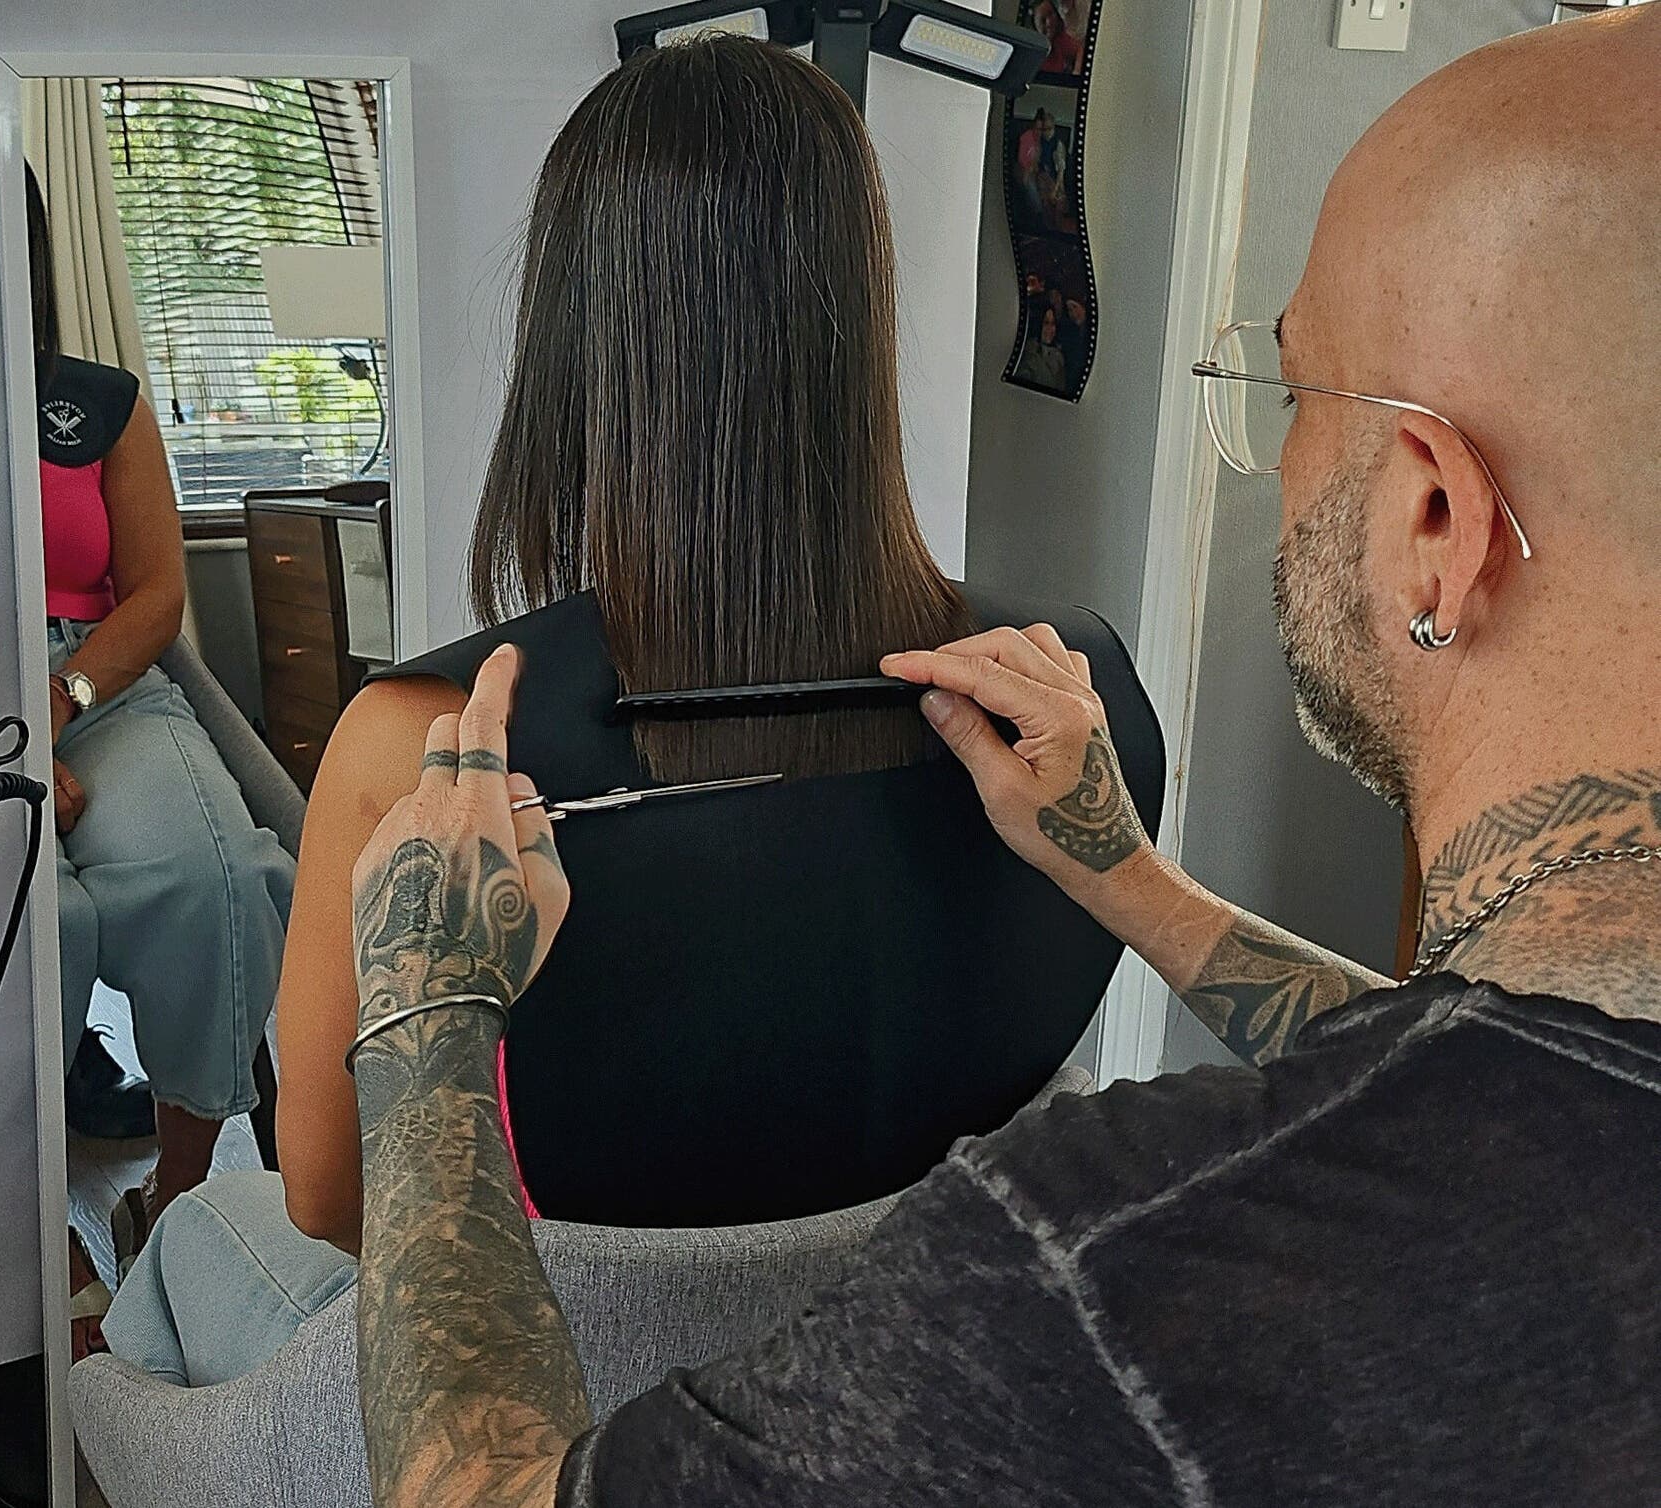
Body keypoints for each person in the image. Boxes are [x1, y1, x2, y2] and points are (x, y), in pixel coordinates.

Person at [338, 10, 1661, 1505]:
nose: (1278, 459)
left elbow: (342, 1229)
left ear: (1432, 518)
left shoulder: (1101, 1273)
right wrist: (1130, 878)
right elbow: (1486, 1094)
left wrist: (429, 1017)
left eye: (1290, 393)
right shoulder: (1546, 1097)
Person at [98, 36, 1162, 1387]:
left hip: (539, 1399)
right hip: (912, 1365)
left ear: (575, 339)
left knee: (193, 1252)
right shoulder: (1072, 701)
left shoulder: (421, 749)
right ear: (859, 308)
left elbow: (330, 1205)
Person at [23, 167, 297, 1354]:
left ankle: (173, 1198)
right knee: (47, 922)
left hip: (98, 678)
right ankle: (25, 1240)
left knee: (221, 874)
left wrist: (59, 695)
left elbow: (159, 594)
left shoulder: (99, 403)